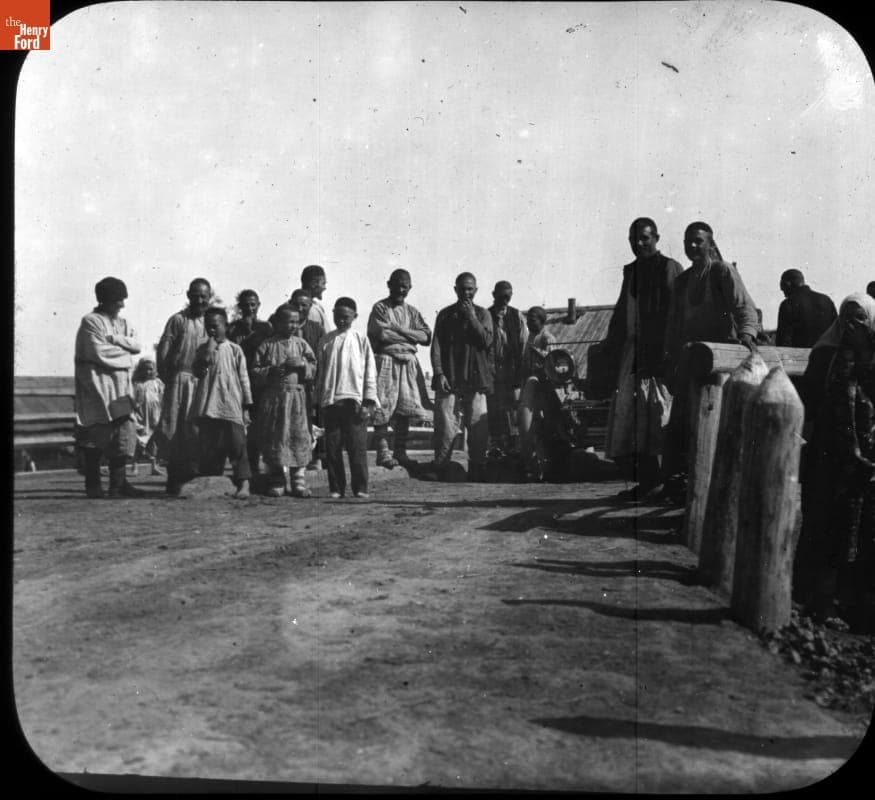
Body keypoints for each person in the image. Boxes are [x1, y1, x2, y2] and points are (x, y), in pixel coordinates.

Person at [660, 222, 759, 503]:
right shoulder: (682, 281)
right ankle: (682, 485)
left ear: (710, 243)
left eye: (698, 241)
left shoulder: (721, 271)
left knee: (721, 425)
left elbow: (745, 308)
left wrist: (747, 335)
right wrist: (669, 358)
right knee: (682, 424)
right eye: (688, 241)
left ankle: (724, 487)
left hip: (720, 360)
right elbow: (674, 325)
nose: (692, 246)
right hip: (690, 360)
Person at [794, 293, 875, 631]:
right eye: (847, 317)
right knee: (826, 525)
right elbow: (809, 400)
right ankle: (817, 600)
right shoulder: (825, 354)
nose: (853, 324)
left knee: (863, 530)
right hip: (829, 455)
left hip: (868, 458)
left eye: (860, 317)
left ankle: (855, 604)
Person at [604, 218, 683, 498]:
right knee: (630, 416)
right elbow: (622, 312)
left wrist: (667, 355)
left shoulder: (669, 268)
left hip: (659, 353)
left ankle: (668, 481)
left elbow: (674, 313)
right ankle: (648, 481)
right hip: (633, 354)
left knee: (658, 415)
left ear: (656, 238)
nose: (638, 244)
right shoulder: (632, 271)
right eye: (633, 239)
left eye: (644, 238)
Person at [74, 277, 143, 498]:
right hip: (97, 385)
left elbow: (137, 346)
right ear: (103, 300)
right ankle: (93, 485)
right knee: (96, 432)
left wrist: (117, 342)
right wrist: (126, 355)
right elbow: (98, 351)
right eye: (116, 300)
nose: (121, 304)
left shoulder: (124, 323)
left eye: (123, 299)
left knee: (123, 431)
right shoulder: (91, 321)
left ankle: (118, 484)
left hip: (120, 386)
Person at [428, 272, 494, 481]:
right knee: (445, 424)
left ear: (476, 290)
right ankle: (440, 466)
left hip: (476, 378)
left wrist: (471, 317)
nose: (466, 293)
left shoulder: (483, 314)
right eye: (462, 289)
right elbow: (436, 346)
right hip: (451, 377)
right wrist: (439, 373)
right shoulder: (445, 315)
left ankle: (477, 467)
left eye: (470, 289)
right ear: (455, 289)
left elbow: (486, 341)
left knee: (478, 425)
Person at [367, 269, 432, 468]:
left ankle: (400, 452)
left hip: (408, 364)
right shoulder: (380, 307)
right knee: (383, 407)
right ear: (389, 285)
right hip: (387, 360)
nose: (401, 290)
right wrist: (411, 338)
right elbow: (382, 334)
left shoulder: (412, 312)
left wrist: (400, 330)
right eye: (397, 285)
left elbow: (426, 336)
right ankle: (383, 452)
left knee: (405, 408)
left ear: (410, 288)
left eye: (405, 287)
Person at [251, 305, 317, 497]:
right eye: (289, 322)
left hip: (297, 399)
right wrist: (270, 371)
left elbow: (314, 366)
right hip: (275, 399)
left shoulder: (302, 344)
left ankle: (298, 481)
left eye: (296, 322)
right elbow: (254, 370)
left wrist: (303, 364)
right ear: (278, 322)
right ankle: (277, 479)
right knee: (275, 437)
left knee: (298, 436)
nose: (293, 325)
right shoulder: (267, 345)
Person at [154, 278, 212, 495]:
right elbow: (164, 348)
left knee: (197, 430)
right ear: (188, 295)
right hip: (179, 380)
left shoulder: (211, 321)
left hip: (202, 382)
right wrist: (166, 376)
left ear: (209, 297)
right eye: (195, 296)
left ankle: (193, 479)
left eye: (203, 296)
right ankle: (174, 480)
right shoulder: (178, 320)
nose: (200, 300)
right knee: (174, 429)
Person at [316, 297, 378, 498]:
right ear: (333, 314)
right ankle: (336, 488)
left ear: (354, 316)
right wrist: (319, 401)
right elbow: (320, 373)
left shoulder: (360, 339)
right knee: (332, 447)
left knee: (357, 447)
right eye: (338, 316)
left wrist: (368, 400)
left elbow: (370, 371)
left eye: (346, 317)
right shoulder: (326, 340)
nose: (341, 321)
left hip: (355, 402)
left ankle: (360, 488)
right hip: (332, 401)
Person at [191, 307, 253, 499]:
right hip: (209, 404)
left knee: (237, 444)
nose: (211, 330)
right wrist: (207, 353)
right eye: (208, 327)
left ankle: (244, 483)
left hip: (230, 404)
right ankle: (212, 482)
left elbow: (244, 378)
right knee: (210, 444)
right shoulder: (201, 349)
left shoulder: (235, 349)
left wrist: (246, 405)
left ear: (225, 326)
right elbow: (197, 372)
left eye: (215, 326)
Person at [486, 280, 528, 457]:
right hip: (493, 369)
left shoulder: (517, 316)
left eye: (508, 297)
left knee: (513, 407)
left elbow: (523, 343)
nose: (505, 300)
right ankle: (496, 445)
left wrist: (520, 371)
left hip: (512, 369)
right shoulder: (486, 315)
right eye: (502, 296)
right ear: (494, 295)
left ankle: (514, 447)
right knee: (494, 407)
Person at [517, 306, 558, 479]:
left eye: (532, 320)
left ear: (542, 321)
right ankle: (532, 465)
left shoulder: (547, 338)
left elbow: (554, 363)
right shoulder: (530, 337)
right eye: (527, 320)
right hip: (529, 384)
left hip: (543, 385)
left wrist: (540, 355)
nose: (528, 323)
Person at [775, 269, 837, 348]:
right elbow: (837, 332)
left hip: (798, 355)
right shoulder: (826, 300)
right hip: (825, 353)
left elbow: (782, 342)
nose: (783, 292)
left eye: (783, 289)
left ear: (788, 284)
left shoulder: (788, 304)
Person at [131, 358, 165, 477]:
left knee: (154, 440)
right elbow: (133, 398)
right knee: (139, 440)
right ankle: (134, 465)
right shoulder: (137, 383)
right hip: (141, 414)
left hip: (155, 414)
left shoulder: (157, 382)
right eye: (145, 369)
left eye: (150, 369)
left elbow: (162, 396)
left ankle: (154, 466)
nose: (148, 372)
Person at [300, 264, 334, 338]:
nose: (325, 287)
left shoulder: (314, 306)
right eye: (323, 283)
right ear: (313, 284)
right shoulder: (311, 310)